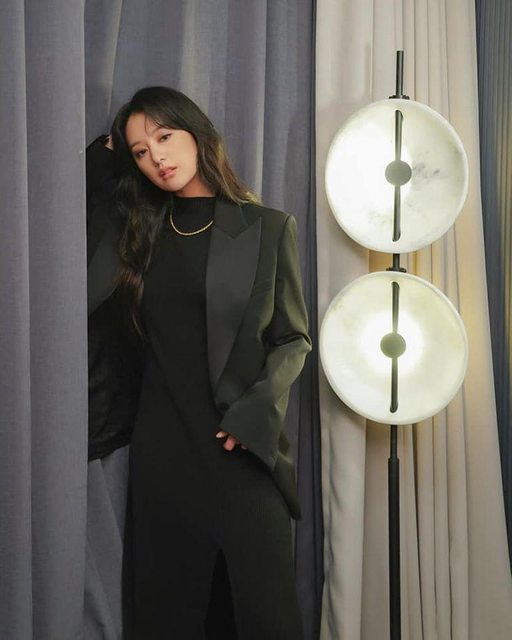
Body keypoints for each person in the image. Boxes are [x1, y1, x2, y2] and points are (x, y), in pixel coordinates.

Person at [86, 86, 312, 639]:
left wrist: (255, 414)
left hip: (242, 453)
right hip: (163, 459)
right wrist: (104, 158)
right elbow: (84, 279)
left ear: (197, 133)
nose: (157, 158)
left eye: (165, 137)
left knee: (265, 619)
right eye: (141, 151)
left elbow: (293, 339)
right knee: (169, 620)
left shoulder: (266, 227)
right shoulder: (139, 233)